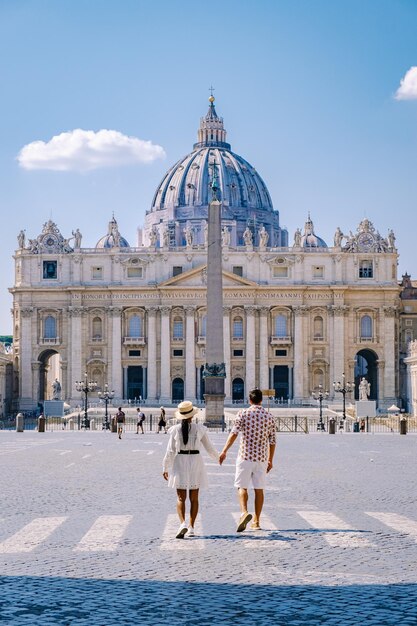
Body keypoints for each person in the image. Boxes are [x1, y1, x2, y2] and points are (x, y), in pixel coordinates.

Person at [219, 389, 276, 532]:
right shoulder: (269, 416)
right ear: (261, 400)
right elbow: (273, 441)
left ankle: (244, 512)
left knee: (242, 487)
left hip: (245, 457)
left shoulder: (243, 414)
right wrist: (270, 460)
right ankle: (256, 521)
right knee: (259, 490)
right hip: (261, 458)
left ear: (249, 400)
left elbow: (234, 434)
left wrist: (224, 450)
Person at [162, 400, 219, 538]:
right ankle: (192, 527)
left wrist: (165, 467)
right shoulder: (199, 429)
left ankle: (182, 524)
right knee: (194, 498)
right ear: (192, 415)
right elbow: (209, 448)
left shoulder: (175, 430)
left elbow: (170, 451)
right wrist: (219, 458)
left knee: (181, 498)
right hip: (195, 461)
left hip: (180, 461)